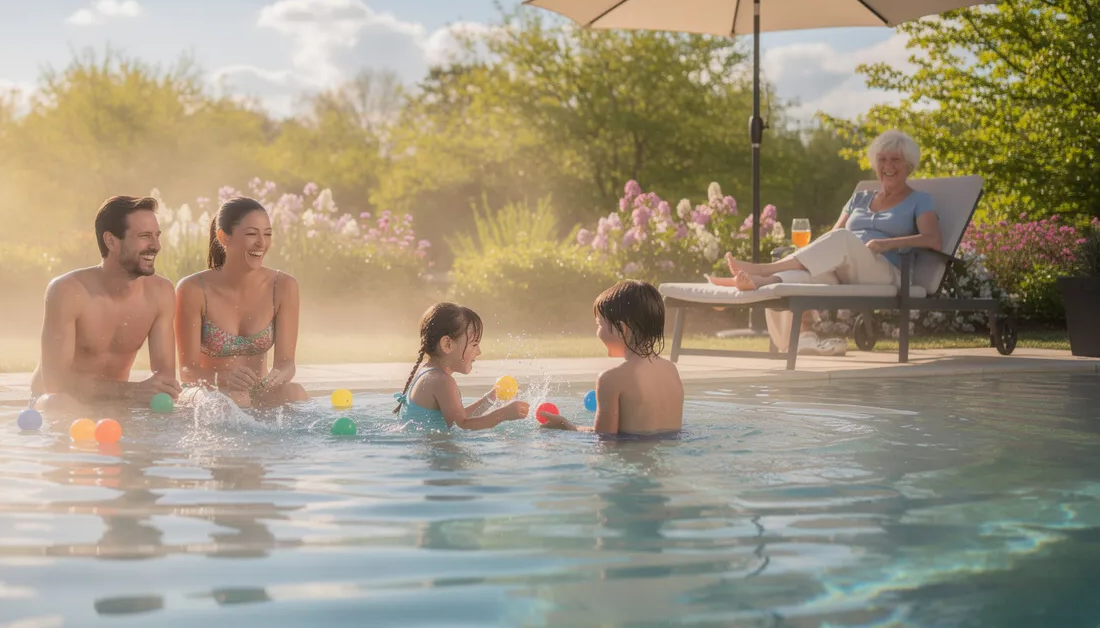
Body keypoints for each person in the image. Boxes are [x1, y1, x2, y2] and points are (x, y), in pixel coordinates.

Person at [708, 130, 942, 354]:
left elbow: (933, 240)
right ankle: (767, 289)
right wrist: (807, 256)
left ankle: (762, 269)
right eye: (882, 159)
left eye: (896, 160)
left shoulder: (920, 200)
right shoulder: (860, 198)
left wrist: (887, 244)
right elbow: (832, 234)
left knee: (842, 239)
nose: (888, 166)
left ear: (909, 165)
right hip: (844, 269)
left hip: (885, 270)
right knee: (795, 278)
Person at [30, 196, 182, 408]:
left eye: (157, 236)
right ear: (111, 241)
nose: (156, 246)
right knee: (58, 404)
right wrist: (133, 391)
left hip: (114, 402)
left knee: (166, 408)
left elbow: (165, 381)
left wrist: (153, 394)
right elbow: (56, 383)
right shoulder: (68, 291)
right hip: (58, 401)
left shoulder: (160, 292)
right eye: (144, 236)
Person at [175, 196, 308, 408]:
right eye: (251, 234)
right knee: (236, 399)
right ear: (224, 237)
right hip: (208, 392)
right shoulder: (193, 289)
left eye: (267, 234)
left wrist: (278, 376)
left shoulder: (283, 286)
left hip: (257, 391)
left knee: (295, 393)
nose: (261, 244)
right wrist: (224, 378)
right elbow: (187, 370)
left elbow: (286, 363)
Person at [542, 280, 684, 436]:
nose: (598, 332)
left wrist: (567, 425)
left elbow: (604, 438)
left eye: (600, 325)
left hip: (630, 457)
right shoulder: (671, 370)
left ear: (622, 329)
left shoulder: (611, 379)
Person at [393, 302, 530, 430]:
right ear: (448, 344)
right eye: (474, 344)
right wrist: (503, 415)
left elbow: (458, 416)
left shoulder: (428, 373)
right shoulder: (442, 381)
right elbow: (461, 425)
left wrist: (490, 398)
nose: (479, 351)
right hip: (437, 450)